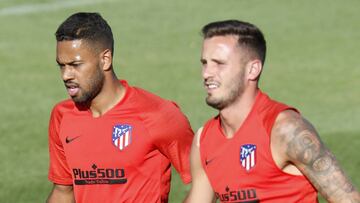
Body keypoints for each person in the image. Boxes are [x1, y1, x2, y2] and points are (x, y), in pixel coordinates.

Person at [185, 20, 360, 203]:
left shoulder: (286, 129)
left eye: (219, 63)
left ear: (252, 70)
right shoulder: (203, 141)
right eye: (205, 63)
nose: (206, 73)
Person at [46, 12, 193, 203]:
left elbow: (205, 181)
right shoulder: (62, 116)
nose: (66, 75)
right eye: (62, 66)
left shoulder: (158, 114)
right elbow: (62, 192)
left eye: (75, 65)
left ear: (105, 59)